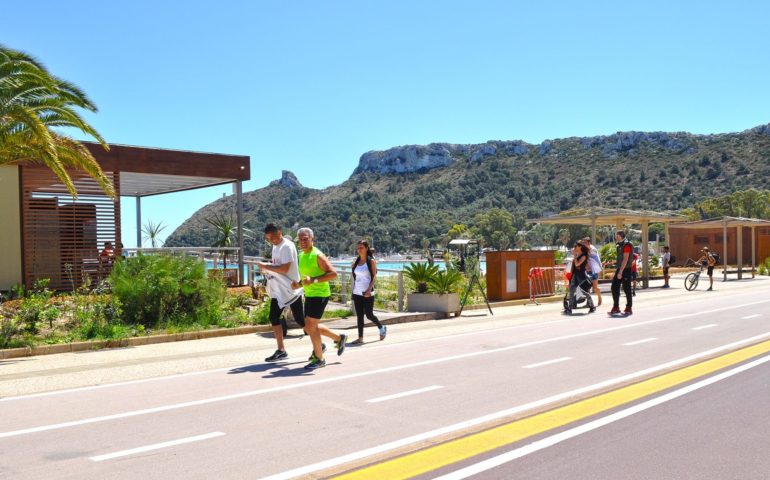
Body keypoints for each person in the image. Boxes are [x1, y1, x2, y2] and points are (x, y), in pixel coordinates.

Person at [293, 227, 348, 370]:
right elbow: (306, 278)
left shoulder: (318, 255)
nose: (303, 242)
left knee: (311, 326)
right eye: (301, 239)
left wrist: (315, 280)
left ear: (312, 239)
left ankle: (319, 358)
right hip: (309, 294)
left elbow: (333, 274)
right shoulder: (301, 255)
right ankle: (337, 338)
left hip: (321, 294)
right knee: (309, 327)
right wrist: (298, 284)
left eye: (306, 239)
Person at [258, 224, 306, 362]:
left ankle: (325, 341)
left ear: (280, 232)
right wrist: (266, 270)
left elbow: (284, 268)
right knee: (274, 317)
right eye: (268, 238)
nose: (271, 240)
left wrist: (266, 266)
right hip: (279, 290)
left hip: (290, 289)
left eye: (273, 236)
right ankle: (281, 350)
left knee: (300, 320)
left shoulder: (287, 246)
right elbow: (276, 266)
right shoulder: (275, 246)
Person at [351, 240, 386, 344]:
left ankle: (381, 327)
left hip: (367, 292)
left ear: (366, 248)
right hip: (357, 291)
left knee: (369, 314)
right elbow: (356, 276)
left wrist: (369, 290)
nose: (359, 249)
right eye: (358, 248)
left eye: (361, 247)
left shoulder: (371, 261)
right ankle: (360, 338)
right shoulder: (357, 261)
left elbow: (374, 276)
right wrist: (353, 267)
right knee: (360, 316)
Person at [564, 242, 595, 314]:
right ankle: (570, 308)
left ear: (580, 247)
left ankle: (592, 306)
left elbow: (577, 264)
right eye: (574, 246)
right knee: (571, 291)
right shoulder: (578, 255)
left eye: (576, 246)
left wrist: (574, 256)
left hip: (581, 276)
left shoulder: (584, 256)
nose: (574, 248)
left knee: (585, 292)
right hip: (575, 275)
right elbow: (574, 265)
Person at [609, 231, 634, 316]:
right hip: (620, 268)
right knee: (614, 287)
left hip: (626, 269)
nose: (616, 237)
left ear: (621, 236)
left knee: (627, 289)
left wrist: (620, 272)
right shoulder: (619, 244)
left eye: (617, 236)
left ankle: (629, 308)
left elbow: (625, 259)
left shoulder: (627, 245)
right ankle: (616, 307)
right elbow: (620, 259)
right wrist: (611, 263)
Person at [582, 236, 603, 306]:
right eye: (583, 242)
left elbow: (594, 259)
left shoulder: (592, 249)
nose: (583, 243)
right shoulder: (585, 250)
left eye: (584, 242)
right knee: (587, 287)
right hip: (587, 271)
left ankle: (599, 297)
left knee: (595, 288)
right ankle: (588, 302)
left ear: (588, 242)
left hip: (594, 271)